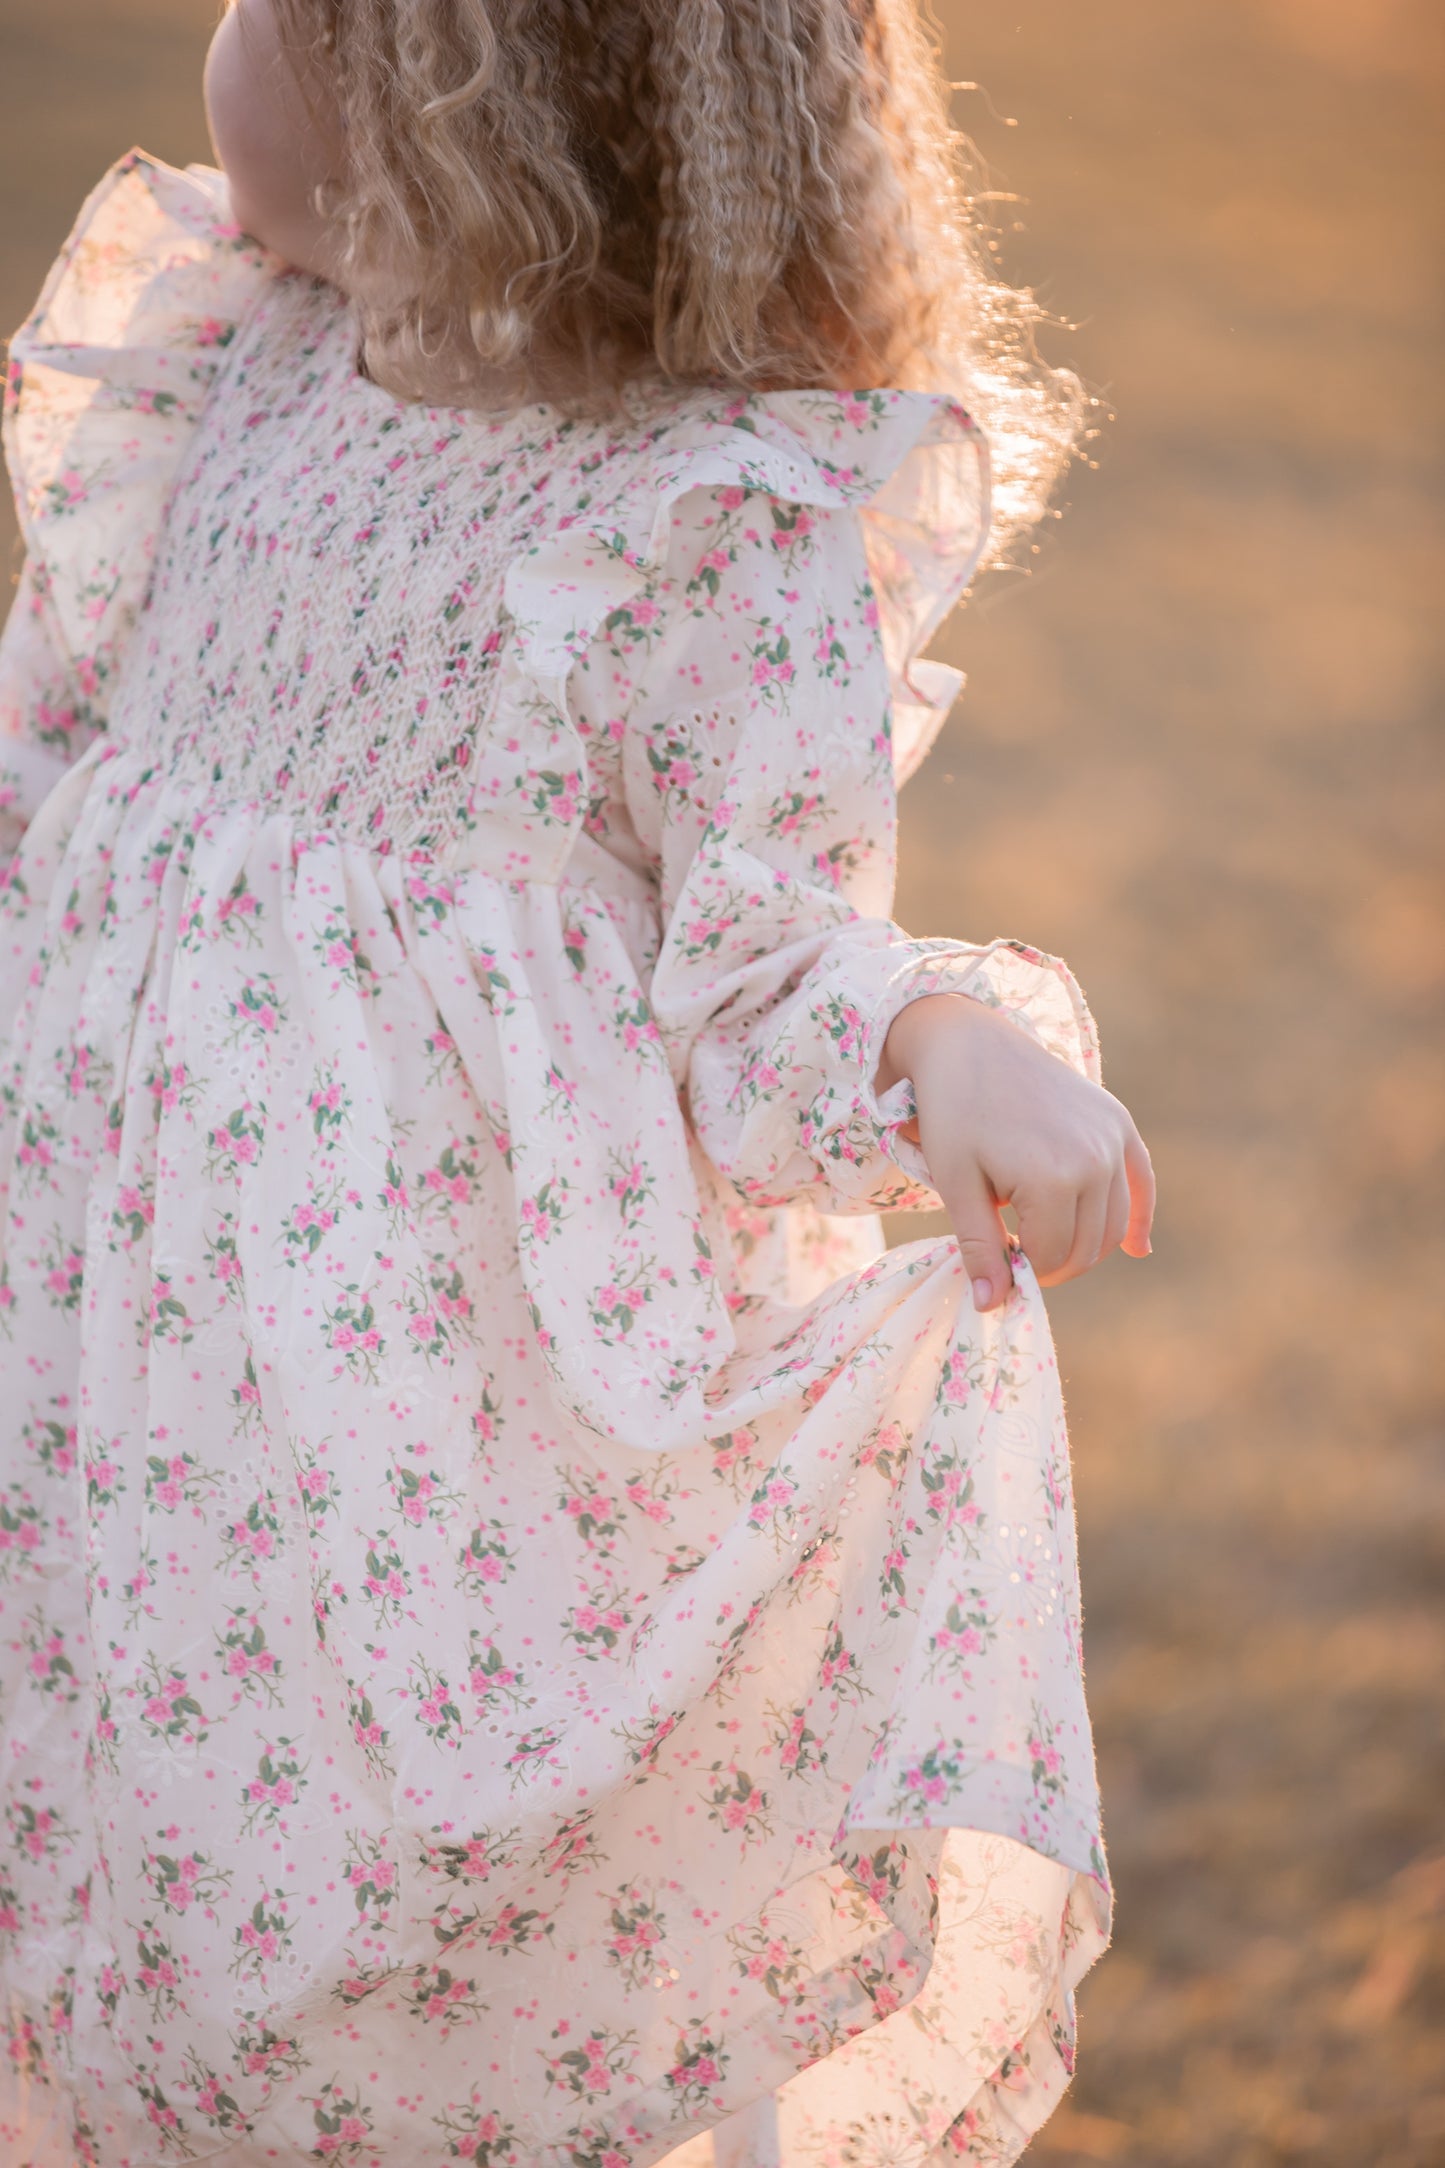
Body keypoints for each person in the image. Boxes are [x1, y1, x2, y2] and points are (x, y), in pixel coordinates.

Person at [0, 0, 1154, 2161]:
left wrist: (943, 1042)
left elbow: (759, 969)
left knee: (418, 1969)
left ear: (491, 93)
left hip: (451, 1450)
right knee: (139, 1932)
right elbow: (56, 778)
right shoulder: (224, 366)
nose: (223, 46)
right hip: (125, 1405)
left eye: (291, 12)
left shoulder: (700, 522)